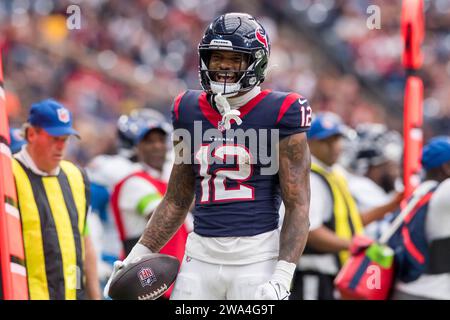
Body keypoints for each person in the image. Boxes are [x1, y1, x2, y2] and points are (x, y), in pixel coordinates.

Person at [105, 12, 312, 300]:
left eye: (234, 58)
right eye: (216, 57)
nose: (223, 66)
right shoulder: (186, 108)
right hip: (199, 257)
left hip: (256, 258)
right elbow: (177, 198)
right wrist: (138, 254)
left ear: (256, 61)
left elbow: (299, 205)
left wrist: (282, 275)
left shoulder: (283, 110)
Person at [290, 112, 402, 300]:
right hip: (313, 274)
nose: (335, 146)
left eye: (338, 139)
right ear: (311, 143)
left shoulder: (333, 173)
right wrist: (354, 245)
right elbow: (310, 232)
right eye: (328, 141)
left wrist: (392, 205)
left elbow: (347, 222)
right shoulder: (310, 177)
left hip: (331, 274)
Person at [13, 99, 100, 300]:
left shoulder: (76, 176)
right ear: (31, 134)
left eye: (66, 139)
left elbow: (85, 241)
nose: (61, 147)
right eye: (54, 138)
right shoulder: (8, 174)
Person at [110, 114, 188, 298]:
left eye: (161, 140)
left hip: (170, 281)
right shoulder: (134, 183)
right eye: (149, 141)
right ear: (137, 147)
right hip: (144, 283)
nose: (157, 146)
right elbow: (168, 213)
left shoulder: (166, 180)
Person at [389, 136, 450, 300]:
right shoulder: (444, 192)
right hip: (430, 293)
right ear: (446, 167)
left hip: (407, 288)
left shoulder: (420, 193)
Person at [344, 123, 403, 239]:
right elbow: (352, 223)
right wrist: (393, 204)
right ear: (374, 166)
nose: (396, 172)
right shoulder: (357, 187)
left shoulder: (394, 187)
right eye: (391, 165)